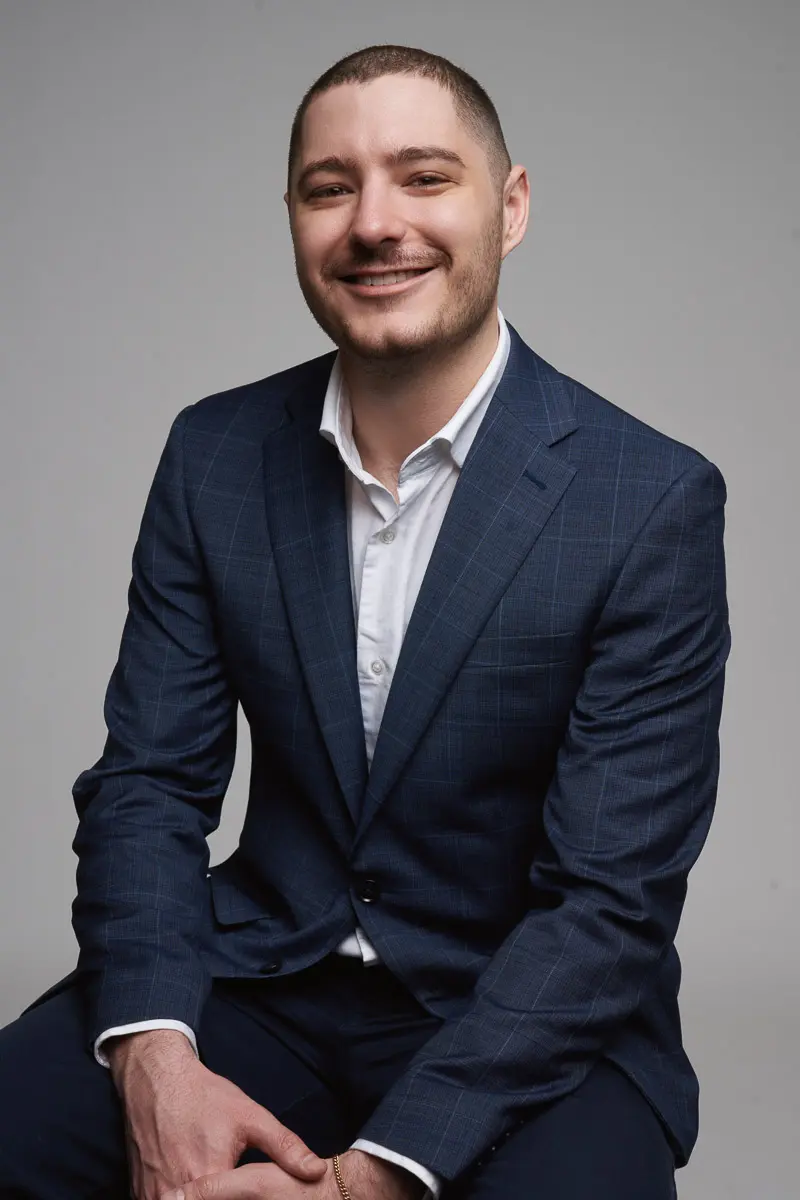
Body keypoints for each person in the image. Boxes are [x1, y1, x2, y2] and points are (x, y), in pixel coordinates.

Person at [0, 42, 730, 1200]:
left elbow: (608, 903)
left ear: (509, 206)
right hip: (257, 976)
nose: (373, 224)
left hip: (523, 1014)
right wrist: (154, 1057)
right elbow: (148, 785)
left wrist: (376, 1178)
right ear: (294, 218)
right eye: (329, 187)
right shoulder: (215, 455)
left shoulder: (646, 501)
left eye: (424, 177)